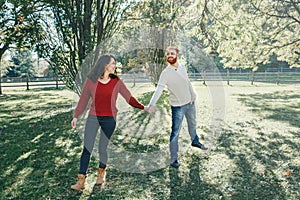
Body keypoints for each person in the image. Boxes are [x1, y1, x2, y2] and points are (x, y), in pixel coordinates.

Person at [71, 54, 148, 190]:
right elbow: (83, 100)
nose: (115, 65)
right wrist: (76, 116)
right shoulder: (91, 81)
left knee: (102, 147)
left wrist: (143, 107)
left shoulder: (116, 81)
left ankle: (101, 174)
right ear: (105, 65)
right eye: (113, 63)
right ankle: (81, 180)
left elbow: (129, 97)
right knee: (87, 148)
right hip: (93, 117)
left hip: (109, 119)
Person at [147, 46, 208, 169]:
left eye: (172, 53)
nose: (170, 55)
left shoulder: (182, 67)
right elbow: (159, 89)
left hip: (190, 103)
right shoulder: (165, 73)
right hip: (177, 107)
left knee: (192, 124)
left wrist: (193, 94)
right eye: (168, 54)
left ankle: (195, 141)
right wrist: (151, 104)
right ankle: (174, 158)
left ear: (177, 55)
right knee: (175, 132)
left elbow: (187, 82)